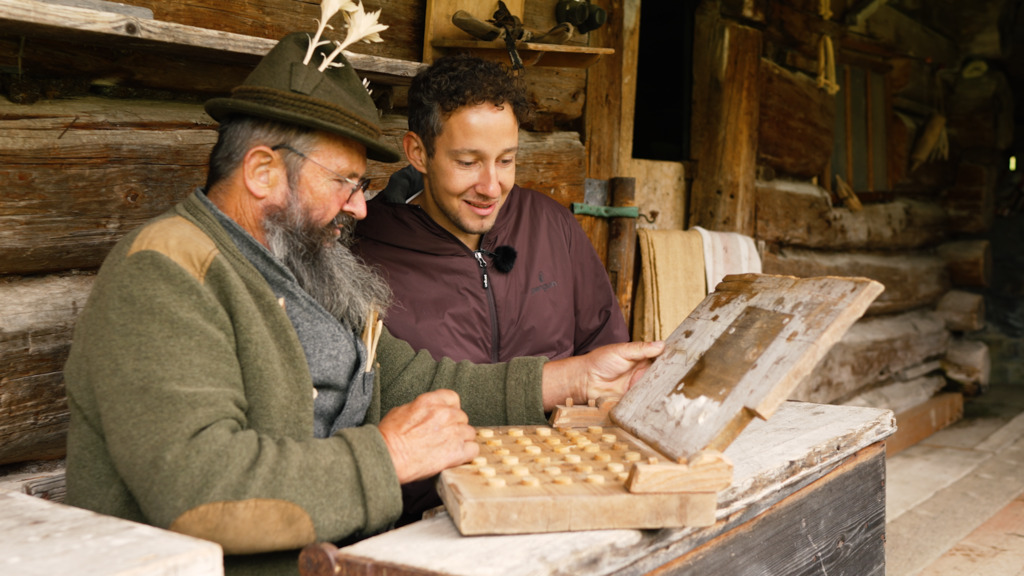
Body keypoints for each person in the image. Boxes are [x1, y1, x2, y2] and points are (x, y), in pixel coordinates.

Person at [62, 25, 662, 576]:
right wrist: (388, 456)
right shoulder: (166, 274)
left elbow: (410, 379)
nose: (360, 208)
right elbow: (199, 490)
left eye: (362, 185)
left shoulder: (309, 264)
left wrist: (573, 378)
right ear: (264, 172)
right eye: (344, 183)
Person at [354, 54, 629, 365]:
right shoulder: (366, 248)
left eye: (505, 160)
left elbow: (605, 347)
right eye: (468, 163)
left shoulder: (551, 224)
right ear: (418, 153)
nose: (491, 188)